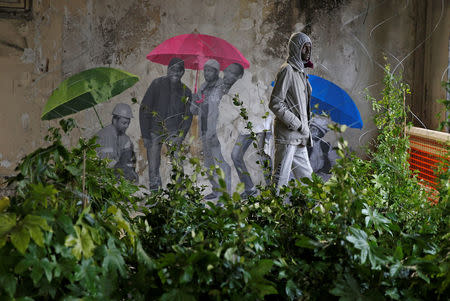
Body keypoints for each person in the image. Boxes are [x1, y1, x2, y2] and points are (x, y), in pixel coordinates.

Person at [139, 58, 192, 190]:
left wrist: (182, 135)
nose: (175, 72)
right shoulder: (157, 84)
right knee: (153, 164)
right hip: (155, 130)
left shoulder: (187, 91)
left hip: (174, 132)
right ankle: (155, 194)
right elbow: (144, 108)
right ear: (168, 70)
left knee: (177, 163)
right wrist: (145, 135)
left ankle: (179, 193)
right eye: (173, 69)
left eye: (179, 70)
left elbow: (188, 116)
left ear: (183, 72)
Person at [269, 32, 313, 189]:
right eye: (304, 48)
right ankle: (271, 212)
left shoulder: (301, 73)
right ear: (295, 49)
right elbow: (275, 103)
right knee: (280, 181)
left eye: (309, 48)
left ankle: (314, 212)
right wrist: (298, 124)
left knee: (308, 181)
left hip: (299, 137)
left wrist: (304, 128)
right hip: (288, 136)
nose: (308, 52)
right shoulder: (287, 70)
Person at [224, 63, 272, 198]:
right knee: (235, 155)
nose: (227, 75)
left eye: (231, 73)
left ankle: (272, 189)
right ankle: (250, 188)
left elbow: (258, 109)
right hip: (247, 127)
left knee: (264, 157)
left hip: (261, 125)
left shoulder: (253, 87)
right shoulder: (236, 87)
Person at [191, 59, 231, 199]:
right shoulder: (202, 87)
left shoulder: (222, 87)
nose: (206, 73)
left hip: (217, 132)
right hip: (204, 131)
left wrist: (221, 131)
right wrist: (194, 100)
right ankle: (216, 190)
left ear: (216, 72)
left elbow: (226, 109)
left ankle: (225, 192)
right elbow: (194, 111)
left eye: (210, 70)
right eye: (205, 70)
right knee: (209, 164)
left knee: (220, 162)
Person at [95, 103, 138, 182]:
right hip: (103, 178)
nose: (126, 126)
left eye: (128, 123)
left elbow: (129, 161)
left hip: (118, 176)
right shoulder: (105, 135)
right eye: (124, 123)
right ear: (114, 120)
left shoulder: (125, 138)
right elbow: (106, 164)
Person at [307, 116, 338, 181]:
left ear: (322, 134)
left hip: (316, 176)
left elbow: (334, 164)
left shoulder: (325, 147)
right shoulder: (303, 142)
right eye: (311, 128)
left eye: (315, 130)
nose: (312, 132)